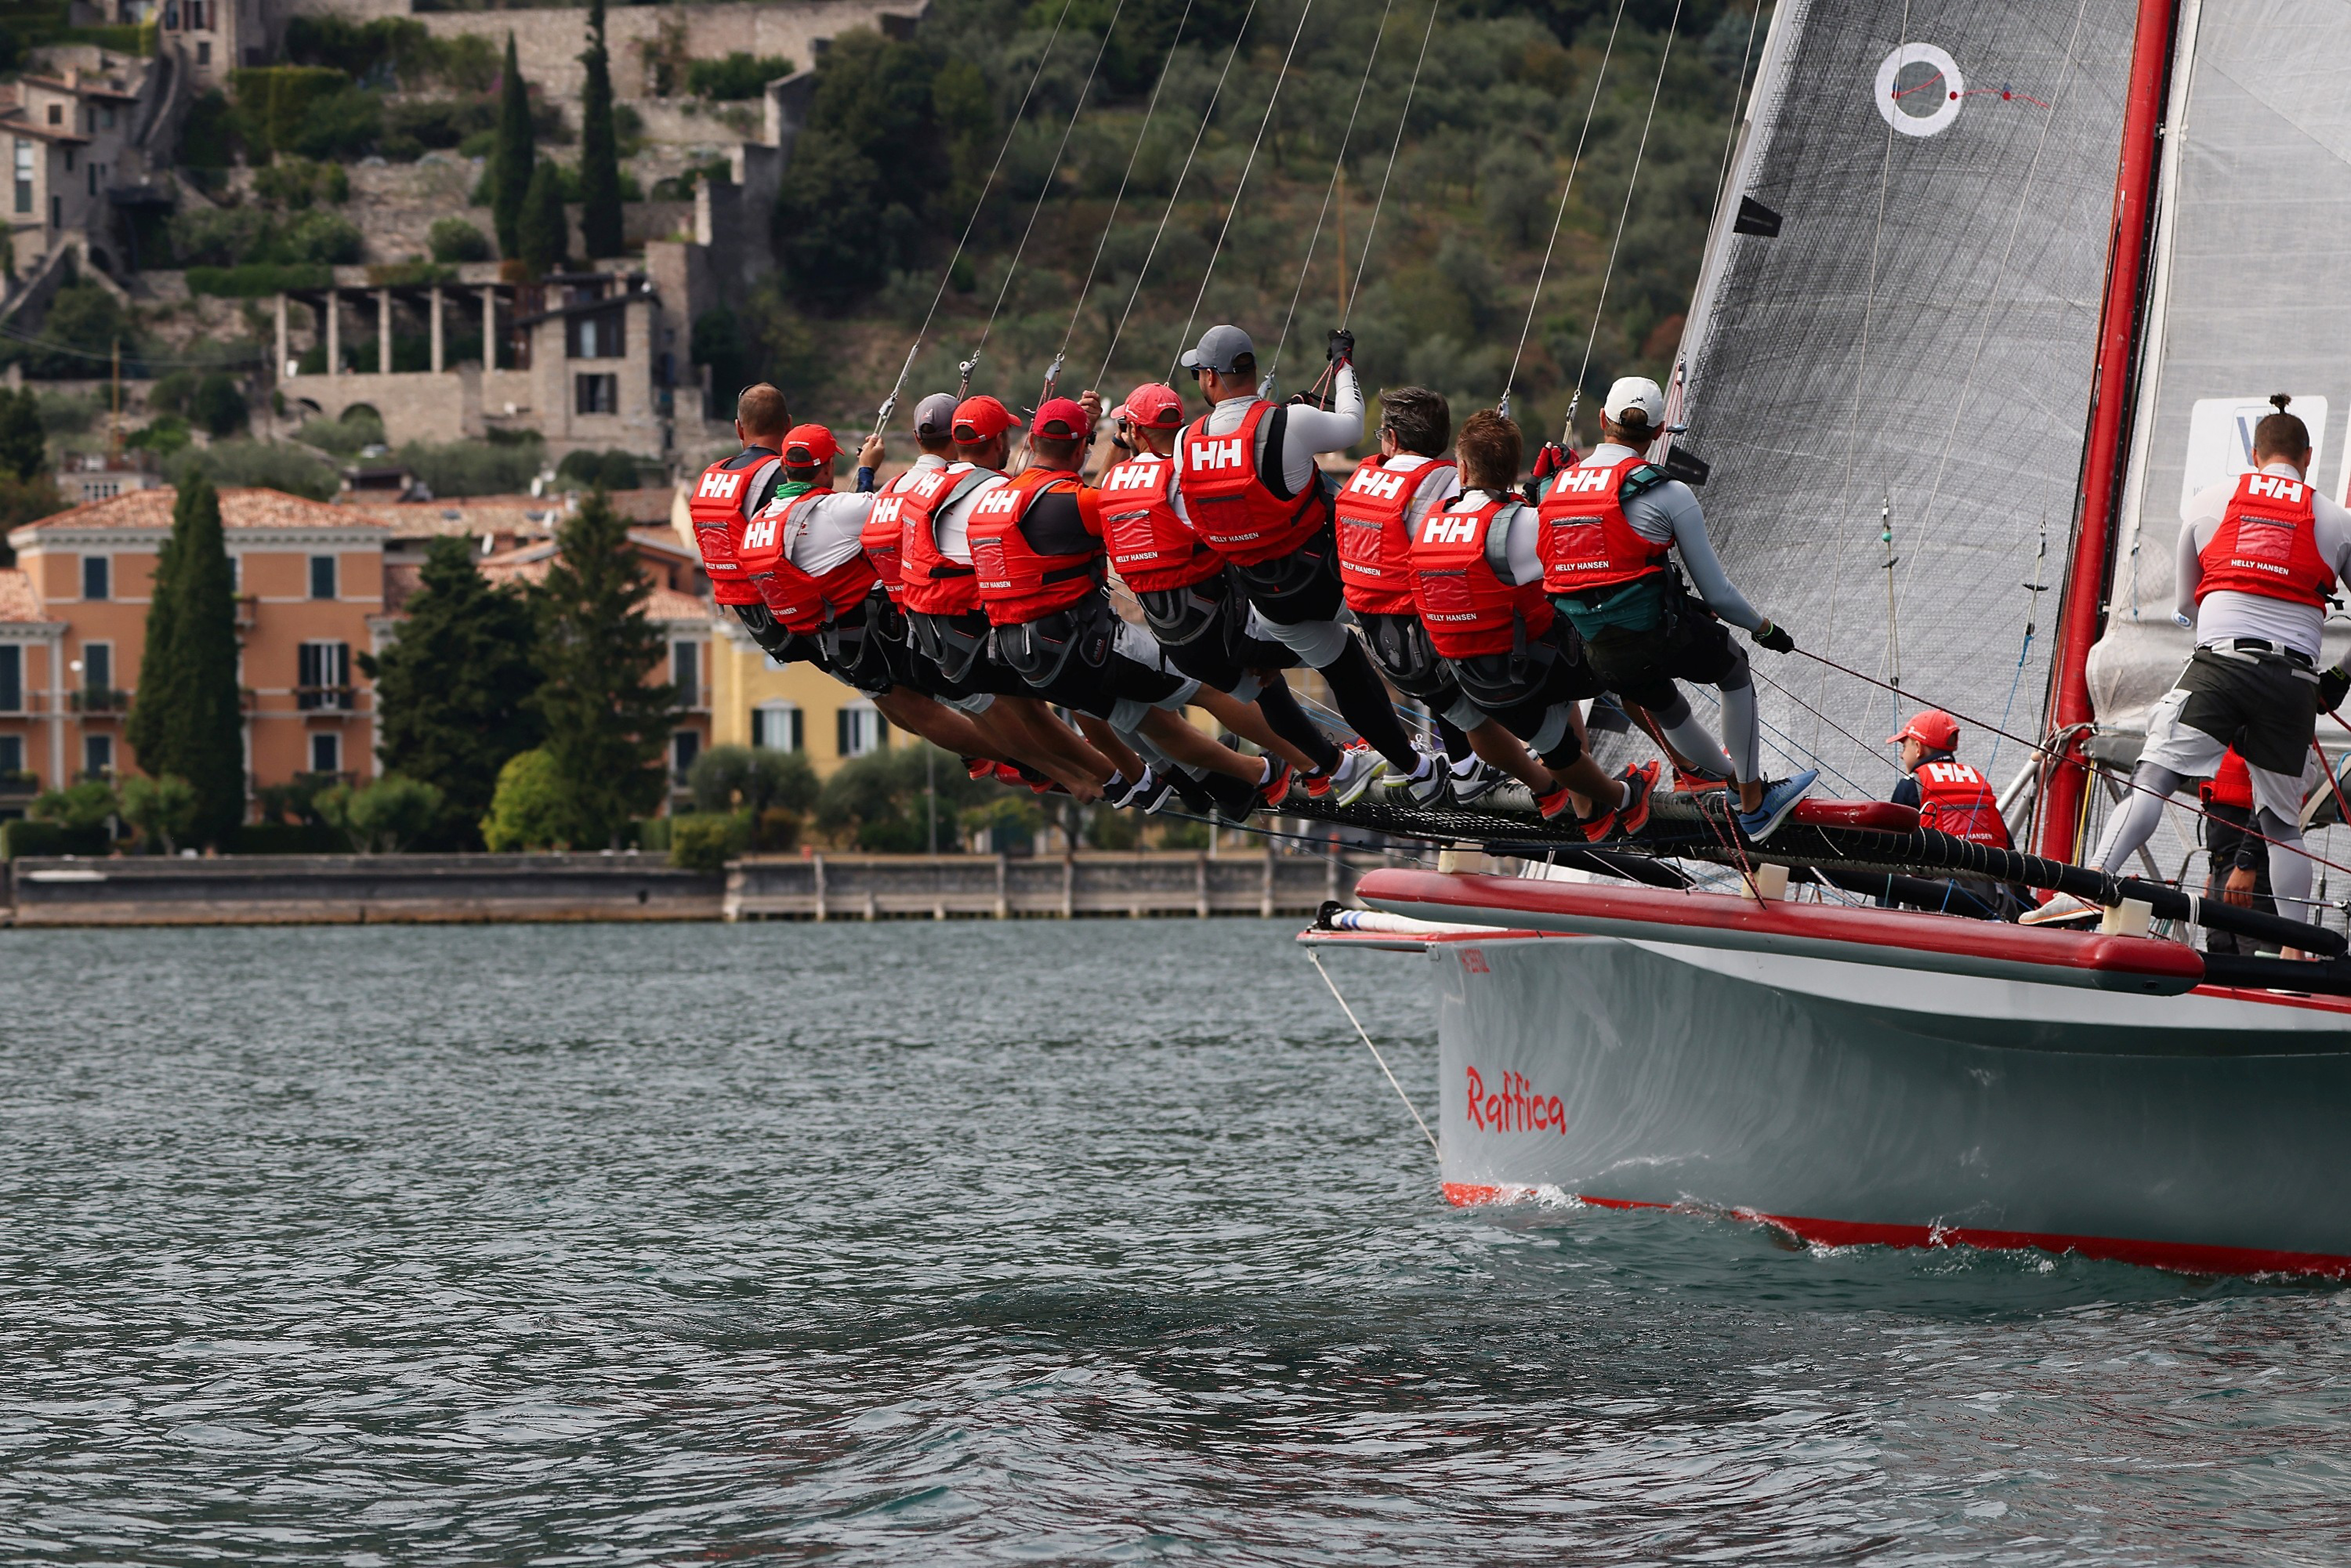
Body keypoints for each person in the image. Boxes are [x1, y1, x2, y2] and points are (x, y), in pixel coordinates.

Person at [2029, 396, 2351, 929]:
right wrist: (2337, 676)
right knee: (2279, 824)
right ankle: (2299, 940)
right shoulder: (2336, 520)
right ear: (2308, 457)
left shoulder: (2211, 500)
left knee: (2153, 778)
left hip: (2221, 666)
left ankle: (2091, 887)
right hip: (2294, 680)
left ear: (2255, 453)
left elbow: (2185, 605)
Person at [943, 395, 1287, 817]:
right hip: (1078, 641)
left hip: (1023, 654)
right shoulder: (1073, 503)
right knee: (1206, 686)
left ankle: (1200, 782)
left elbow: (1081, 497)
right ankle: (1296, 766)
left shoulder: (992, 502)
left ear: (1030, 443)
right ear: (1079, 449)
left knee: (1140, 715)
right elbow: (1105, 506)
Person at [1537, 375, 1815, 839]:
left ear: (1602, 420)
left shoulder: (1551, 490)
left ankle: (1719, 779)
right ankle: (1752, 799)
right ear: (1660, 431)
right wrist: (1765, 629)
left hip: (1599, 650)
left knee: (1664, 706)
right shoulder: (1668, 492)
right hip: (1658, 633)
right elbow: (1720, 594)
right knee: (1733, 667)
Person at [1173, 323, 1443, 795]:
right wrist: (1342, 365)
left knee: (1343, 672)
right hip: (1332, 576)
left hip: (1270, 601)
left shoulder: (1184, 444)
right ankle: (1462, 763)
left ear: (1212, 379)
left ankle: (1415, 772)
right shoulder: (1288, 423)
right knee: (1416, 638)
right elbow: (1353, 426)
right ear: (1251, 370)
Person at [1094, 381, 1377, 804]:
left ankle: (1322, 767)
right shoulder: (1185, 474)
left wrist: (1119, 442)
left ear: (1134, 432)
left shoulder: (1111, 485)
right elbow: (1233, 544)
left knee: (1263, 690)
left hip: (1180, 644)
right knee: (1341, 647)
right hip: (1228, 631)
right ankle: (1360, 760)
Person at [1411, 408, 1658, 835]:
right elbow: (1570, 556)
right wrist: (1551, 487)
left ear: (1463, 468)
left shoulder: (1430, 523)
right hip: (1531, 674)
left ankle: (1588, 811)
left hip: (1476, 681)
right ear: (1511, 471)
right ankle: (1638, 794)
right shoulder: (1526, 521)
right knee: (1627, 662)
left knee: (1554, 708)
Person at [1336, 385, 1558, 806]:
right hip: (1437, 646)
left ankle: (1461, 765)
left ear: (1393, 439)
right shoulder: (1443, 483)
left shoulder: (1363, 480)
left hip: (1381, 644)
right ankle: (1542, 770)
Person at [687, 383, 805, 663]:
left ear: (739, 429)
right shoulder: (785, 476)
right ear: (789, 425)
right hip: (791, 614)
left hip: (745, 613)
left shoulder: (711, 478)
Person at [1886, 709, 2012, 849]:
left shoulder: (1912, 783)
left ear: (1918, 748)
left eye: (1904, 747)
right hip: (1989, 867)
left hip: (1934, 867)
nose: (1902, 756)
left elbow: (1892, 842)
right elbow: (2007, 841)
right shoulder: (1976, 777)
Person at [2199, 747, 2275, 952]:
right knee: (2219, 946)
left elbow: (2270, 798)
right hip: (2222, 865)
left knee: (2256, 952)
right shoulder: (2224, 737)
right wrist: (2214, 870)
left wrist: (2247, 861)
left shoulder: (2260, 733)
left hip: (2250, 866)